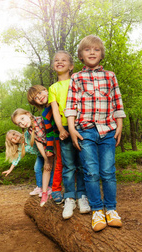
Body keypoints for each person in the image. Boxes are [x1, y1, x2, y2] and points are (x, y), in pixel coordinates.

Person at [64, 35, 126, 232]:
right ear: (81, 55)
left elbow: (118, 102)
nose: (92, 52)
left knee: (108, 172)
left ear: (101, 54)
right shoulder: (76, 78)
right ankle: (97, 210)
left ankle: (111, 209)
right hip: (85, 132)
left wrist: (120, 126)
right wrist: (72, 129)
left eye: (96, 49)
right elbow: (71, 106)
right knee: (90, 172)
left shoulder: (110, 76)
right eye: (88, 49)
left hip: (108, 130)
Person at [48, 51, 90, 219]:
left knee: (82, 164)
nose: (59, 62)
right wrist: (61, 129)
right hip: (64, 128)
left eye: (64, 60)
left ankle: (82, 196)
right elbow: (55, 111)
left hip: (81, 126)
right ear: (53, 66)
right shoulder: (53, 88)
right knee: (68, 165)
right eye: (56, 60)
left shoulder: (77, 81)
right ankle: (69, 197)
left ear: (71, 66)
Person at [27, 85, 64, 205]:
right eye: (36, 98)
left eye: (40, 93)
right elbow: (49, 132)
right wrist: (48, 148)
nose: (39, 97)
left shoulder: (59, 99)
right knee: (56, 165)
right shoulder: (45, 113)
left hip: (71, 132)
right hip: (57, 140)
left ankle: (78, 194)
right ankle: (47, 192)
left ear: (45, 90)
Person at [11, 108, 54, 207]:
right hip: (45, 150)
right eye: (19, 124)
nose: (22, 123)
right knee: (46, 168)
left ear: (27, 114)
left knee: (57, 168)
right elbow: (39, 143)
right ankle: (44, 193)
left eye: (22, 119)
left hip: (54, 146)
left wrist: (51, 151)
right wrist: (46, 158)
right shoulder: (30, 130)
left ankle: (54, 190)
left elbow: (51, 134)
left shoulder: (40, 120)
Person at [2, 130, 53, 197]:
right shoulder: (20, 147)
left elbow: (35, 132)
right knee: (36, 168)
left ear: (17, 132)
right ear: (12, 142)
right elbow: (16, 159)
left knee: (50, 168)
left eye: (14, 134)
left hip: (47, 152)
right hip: (40, 156)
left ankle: (50, 187)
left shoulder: (27, 134)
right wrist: (10, 170)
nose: (14, 137)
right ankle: (40, 187)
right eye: (12, 138)